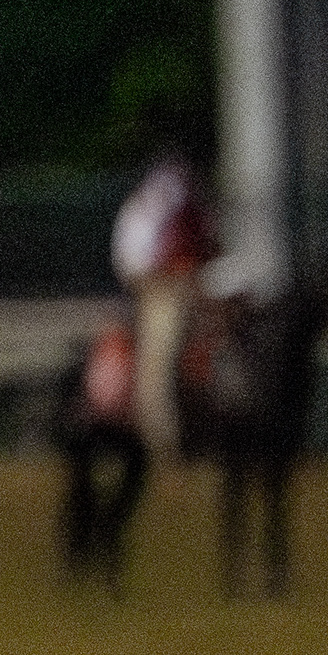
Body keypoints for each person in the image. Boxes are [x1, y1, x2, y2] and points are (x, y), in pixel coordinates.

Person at [111, 148, 217, 462]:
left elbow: (213, 247)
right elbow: (131, 265)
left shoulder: (195, 207)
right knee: (160, 365)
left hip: (202, 290)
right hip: (163, 294)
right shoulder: (141, 210)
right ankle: (166, 442)